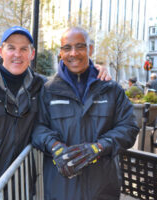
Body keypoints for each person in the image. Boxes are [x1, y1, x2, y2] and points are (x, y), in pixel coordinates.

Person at [0, 26, 112, 200]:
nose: (17, 54)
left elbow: (72, 81)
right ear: (1, 51)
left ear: (32, 54)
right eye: (11, 48)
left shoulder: (42, 86)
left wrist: (95, 69)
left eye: (23, 49)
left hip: (19, 186)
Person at [32, 27, 139, 200]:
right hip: (61, 188)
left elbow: (129, 128)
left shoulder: (111, 89)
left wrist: (99, 147)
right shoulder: (48, 90)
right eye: (67, 48)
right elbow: (37, 127)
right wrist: (54, 146)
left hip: (102, 187)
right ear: (61, 53)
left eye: (80, 46)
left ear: (90, 49)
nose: (73, 53)